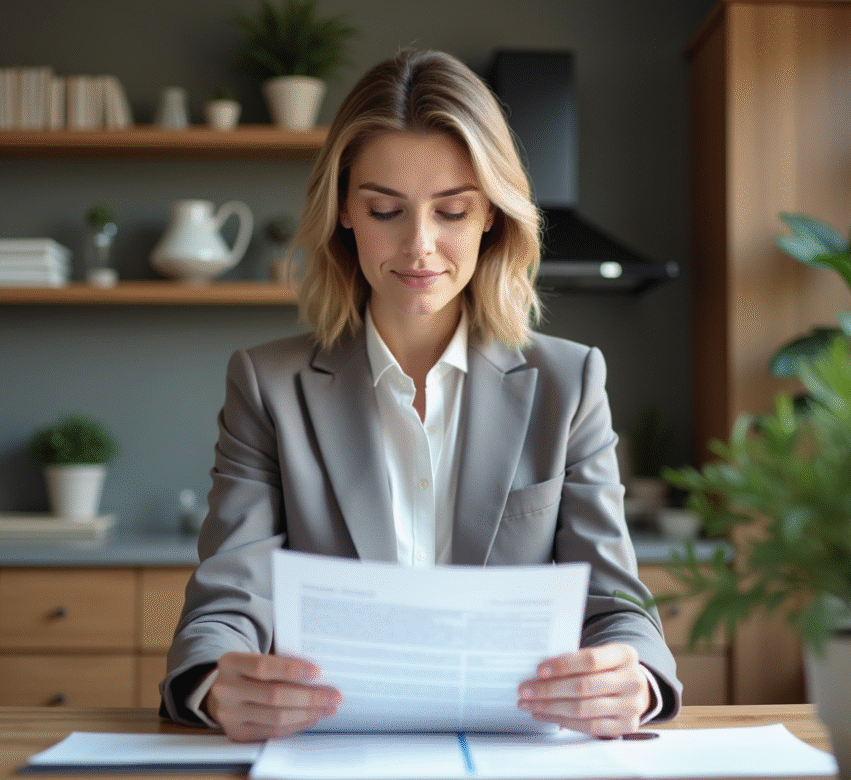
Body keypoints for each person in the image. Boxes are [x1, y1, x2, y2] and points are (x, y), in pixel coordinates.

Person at [160, 48, 681, 742]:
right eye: (385, 209)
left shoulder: (570, 382)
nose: (419, 247)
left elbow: (617, 607)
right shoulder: (268, 386)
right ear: (344, 208)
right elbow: (225, 604)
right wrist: (215, 685)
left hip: (508, 754)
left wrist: (635, 681)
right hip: (333, 755)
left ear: (493, 214)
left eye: (453, 211)